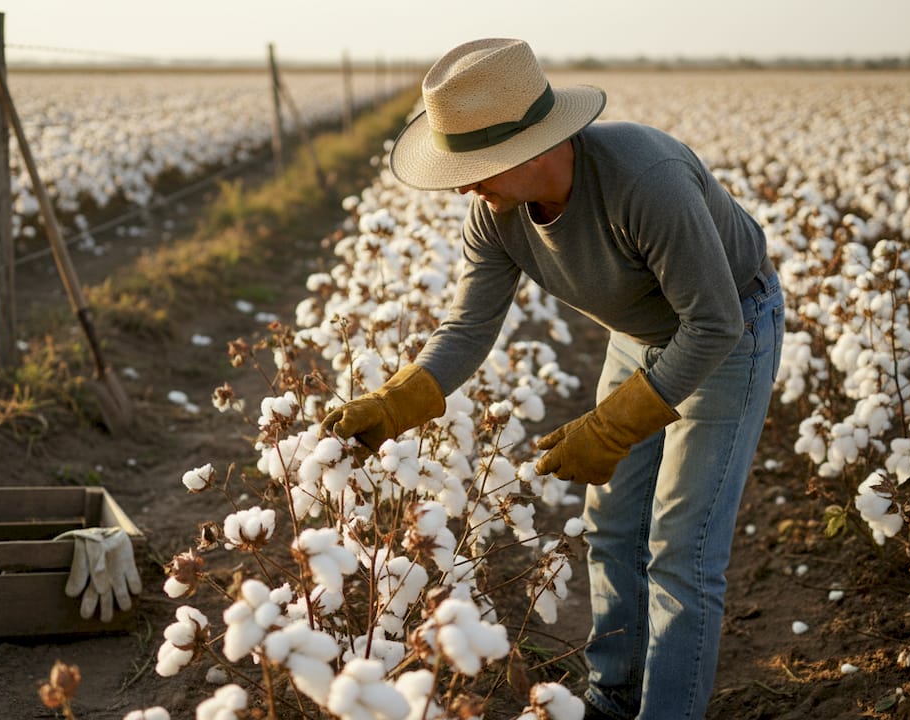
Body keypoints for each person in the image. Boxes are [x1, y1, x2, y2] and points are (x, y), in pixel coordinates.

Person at [322, 37, 783, 720]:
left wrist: (615, 423)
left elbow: (712, 324)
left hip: (730, 330)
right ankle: (612, 696)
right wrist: (395, 403)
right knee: (613, 527)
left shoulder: (643, 179)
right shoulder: (496, 213)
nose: (462, 184)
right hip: (638, 337)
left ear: (535, 148)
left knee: (681, 553)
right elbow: (470, 327)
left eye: (476, 166)